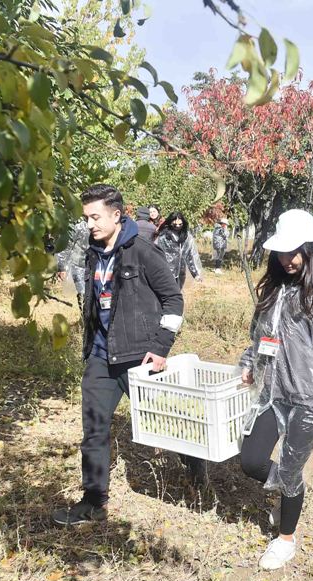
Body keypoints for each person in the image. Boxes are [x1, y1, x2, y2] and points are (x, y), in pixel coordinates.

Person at [52, 184, 204, 526]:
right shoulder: (92, 252)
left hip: (140, 356)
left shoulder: (142, 252)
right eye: (86, 217)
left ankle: (194, 464)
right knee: (93, 428)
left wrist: (161, 347)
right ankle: (93, 502)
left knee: (166, 423)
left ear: (116, 215)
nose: (89, 224)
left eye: (95, 217)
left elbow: (173, 301)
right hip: (101, 356)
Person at [238, 209, 313, 569]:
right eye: (282, 252)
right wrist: (249, 365)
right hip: (274, 392)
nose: (288, 259)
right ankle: (288, 493)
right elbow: (260, 336)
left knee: (292, 470)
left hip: (310, 399)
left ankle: (285, 539)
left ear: (310, 249)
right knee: (250, 459)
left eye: (295, 252)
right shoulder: (274, 289)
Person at [155, 212, 204, 288]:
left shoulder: (186, 236)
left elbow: (191, 255)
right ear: (170, 222)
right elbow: (158, 255)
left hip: (181, 271)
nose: (177, 226)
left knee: (178, 292)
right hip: (167, 272)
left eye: (180, 224)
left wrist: (195, 273)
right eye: (175, 224)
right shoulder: (164, 237)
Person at [56, 219, 90, 310]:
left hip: (94, 267)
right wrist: (61, 267)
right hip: (78, 267)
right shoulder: (78, 227)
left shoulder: (101, 225)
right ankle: (85, 319)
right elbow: (65, 247)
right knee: (83, 295)